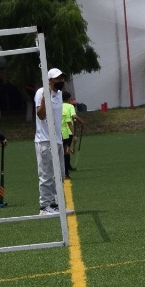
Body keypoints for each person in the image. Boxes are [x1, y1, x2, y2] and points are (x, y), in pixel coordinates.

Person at [34, 68, 65, 214]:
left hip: (57, 140)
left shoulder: (59, 94)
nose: (61, 81)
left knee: (58, 175)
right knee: (46, 175)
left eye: (62, 78)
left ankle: (54, 204)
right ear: (50, 80)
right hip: (45, 140)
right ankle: (44, 206)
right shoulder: (41, 92)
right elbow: (40, 115)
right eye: (57, 79)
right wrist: (45, 98)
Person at [61, 98, 84, 177]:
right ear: (68, 99)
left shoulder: (57, 106)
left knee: (64, 151)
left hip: (58, 134)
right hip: (68, 133)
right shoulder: (70, 107)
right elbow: (73, 118)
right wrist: (81, 122)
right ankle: (66, 171)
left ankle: (66, 169)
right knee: (66, 151)